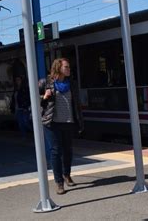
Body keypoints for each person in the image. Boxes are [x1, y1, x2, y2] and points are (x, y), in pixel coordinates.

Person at [40, 58, 83, 195]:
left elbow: (76, 104)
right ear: (58, 68)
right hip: (52, 123)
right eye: (66, 67)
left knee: (68, 151)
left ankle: (67, 174)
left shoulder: (71, 84)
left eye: (69, 67)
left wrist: (79, 120)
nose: (69, 69)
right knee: (56, 151)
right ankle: (59, 182)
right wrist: (44, 97)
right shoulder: (46, 82)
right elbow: (35, 102)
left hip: (68, 122)